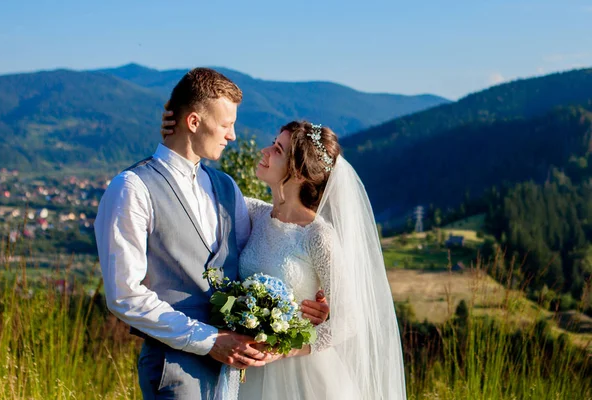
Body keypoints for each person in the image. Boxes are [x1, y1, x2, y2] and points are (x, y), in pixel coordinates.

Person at [94, 68, 329, 400]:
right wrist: (209, 341)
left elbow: (264, 252)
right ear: (193, 123)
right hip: (176, 369)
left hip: (236, 374)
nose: (232, 135)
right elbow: (124, 295)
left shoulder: (226, 187)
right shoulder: (132, 188)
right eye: (225, 124)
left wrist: (310, 302)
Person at [234, 121, 407, 399]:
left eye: (278, 149)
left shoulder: (318, 236)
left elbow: (349, 320)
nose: (265, 151)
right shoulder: (254, 213)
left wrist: (288, 348)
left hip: (303, 376)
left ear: (300, 172)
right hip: (250, 368)